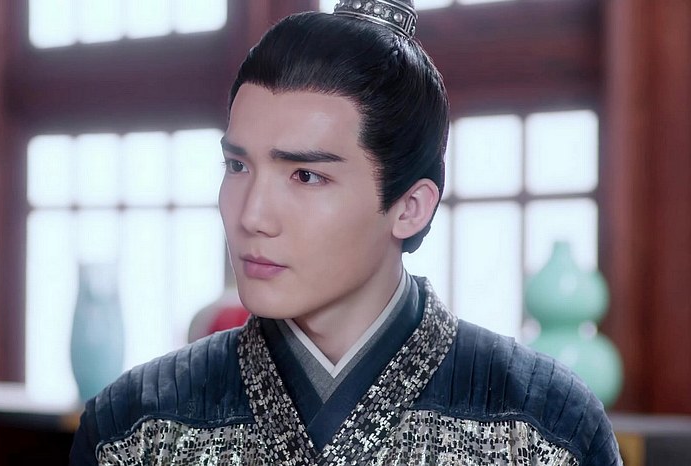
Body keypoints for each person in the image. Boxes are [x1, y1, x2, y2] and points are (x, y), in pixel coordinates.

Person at [69, 1, 623, 464]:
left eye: (305, 176)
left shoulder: (542, 427)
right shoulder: (135, 427)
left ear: (410, 208)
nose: (251, 215)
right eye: (237, 166)